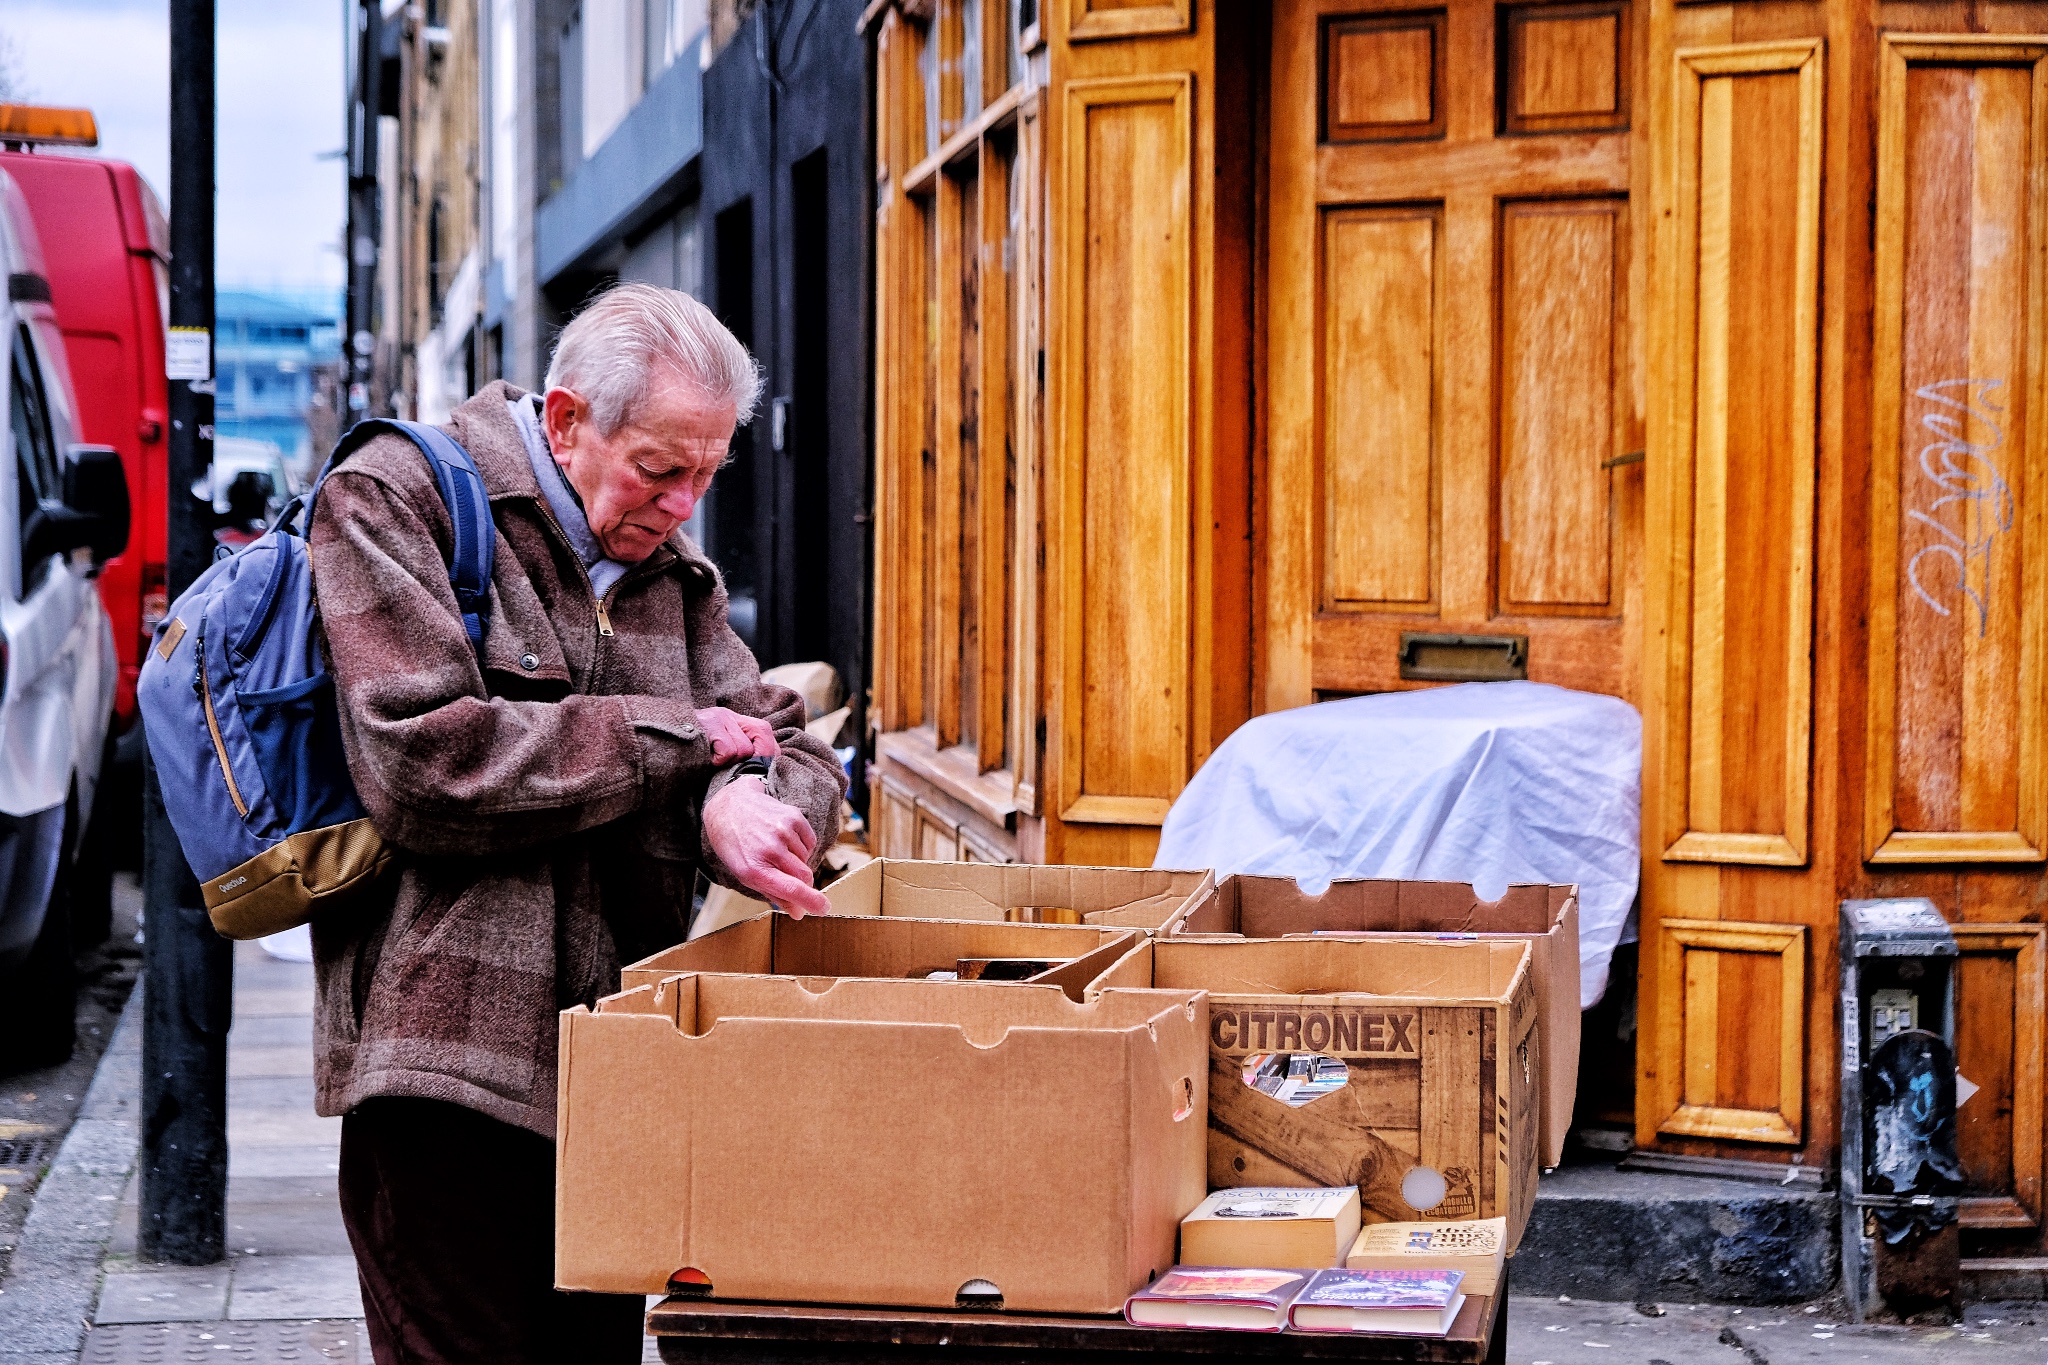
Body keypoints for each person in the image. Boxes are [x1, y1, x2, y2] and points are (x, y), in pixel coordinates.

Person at [308, 283, 845, 1364]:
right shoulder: (393, 499)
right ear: (563, 420)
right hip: (445, 1072)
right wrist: (684, 745)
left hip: (621, 1083)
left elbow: (793, 746)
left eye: (706, 473)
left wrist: (736, 805)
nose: (685, 502)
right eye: (660, 469)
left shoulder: (667, 568)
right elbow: (425, 762)